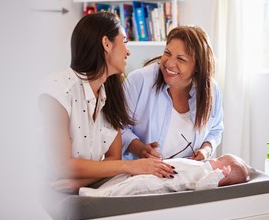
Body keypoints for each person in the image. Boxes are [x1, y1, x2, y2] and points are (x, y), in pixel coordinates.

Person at [38, 11, 175, 194]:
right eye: (124, 41)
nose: (128, 51)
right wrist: (130, 166)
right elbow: (62, 166)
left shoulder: (109, 96)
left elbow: (113, 158)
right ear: (106, 43)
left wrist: (81, 182)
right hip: (44, 197)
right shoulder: (57, 90)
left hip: (82, 192)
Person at [122, 25, 224, 161]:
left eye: (181, 59)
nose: (169, 64)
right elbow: (118, 128)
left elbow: (215, 130)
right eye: (167, 53)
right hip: (142, 175)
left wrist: (206, 150)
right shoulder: (139, 80)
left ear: (198, 66)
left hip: (188, 175)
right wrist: (140, 149)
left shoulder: (211, 90)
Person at [79, 154, 254, 197]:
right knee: (125, 176)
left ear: (222, 172)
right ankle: (101, 189)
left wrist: (217, 175)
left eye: (219, 160)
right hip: (156, 170)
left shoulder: (208, 175)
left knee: (132, 187)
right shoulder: (202, 165)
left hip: (160, 182)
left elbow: (203, 187)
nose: (214, 158)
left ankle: (98, 195)